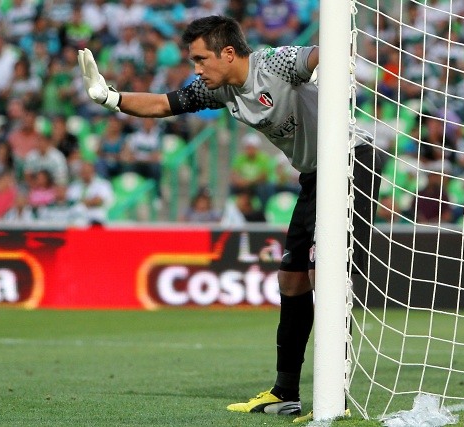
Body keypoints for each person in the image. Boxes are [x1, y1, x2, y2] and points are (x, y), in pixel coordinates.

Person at [77, 15, 381, 420]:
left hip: (352, 164)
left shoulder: (274, 64)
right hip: (315, 176)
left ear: (229, 52)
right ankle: (285, 392)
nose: (196, 69)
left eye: (201, 59)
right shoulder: (221, 91)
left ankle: (334, 397)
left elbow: (317, 57)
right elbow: (164, 104)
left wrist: (338, 58)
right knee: (291, 280)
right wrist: (110, 98)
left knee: (322, 274)